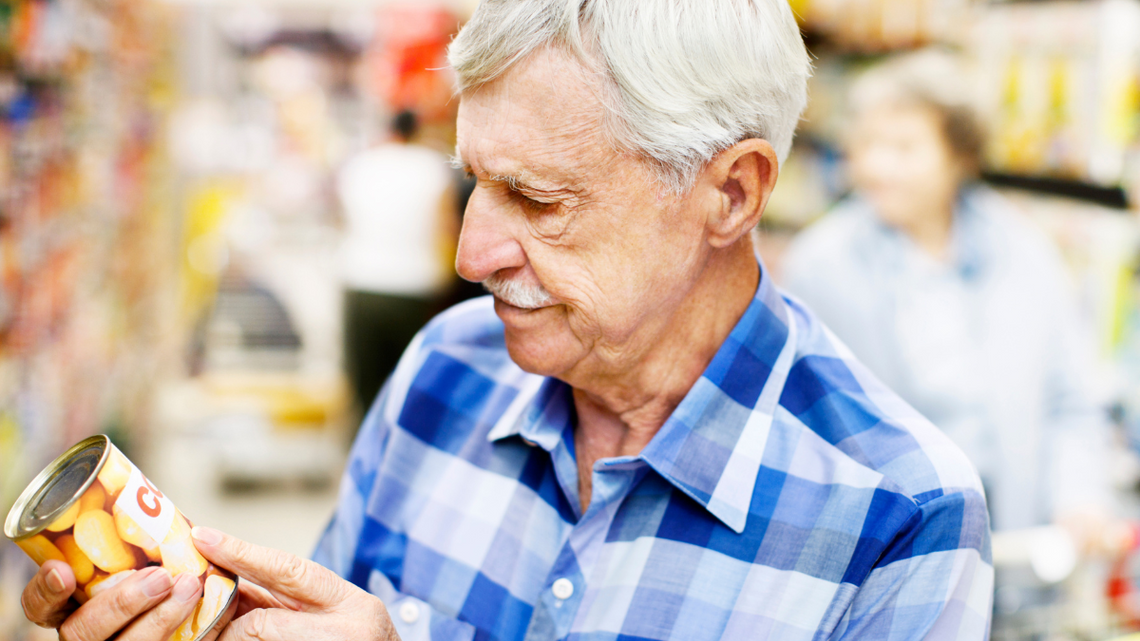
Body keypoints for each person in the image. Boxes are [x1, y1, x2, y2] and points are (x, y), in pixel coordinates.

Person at [20, 3, 992, 640]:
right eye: (474, 181)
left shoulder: (902, 517)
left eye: (537, 198)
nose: (469, 254)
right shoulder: (445, 368)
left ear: (730, 194)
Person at [782, 51, 1113, 540]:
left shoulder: (1023, 249)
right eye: (867, 143)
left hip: (1019, 543)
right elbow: (810, 430)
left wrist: (1078, 497)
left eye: (904, 147)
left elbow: (1071, 400)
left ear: (960, 156)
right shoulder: (821, 265)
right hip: (897, 546)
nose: (877, 165)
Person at [338, 109, 457, 411]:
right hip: (414, 289)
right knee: (411, 389)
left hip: (361, 284)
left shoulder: (361, 165)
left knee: (365, 391)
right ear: (418, 131)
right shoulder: (432, 167)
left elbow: (344, 223)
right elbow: (445, 229)